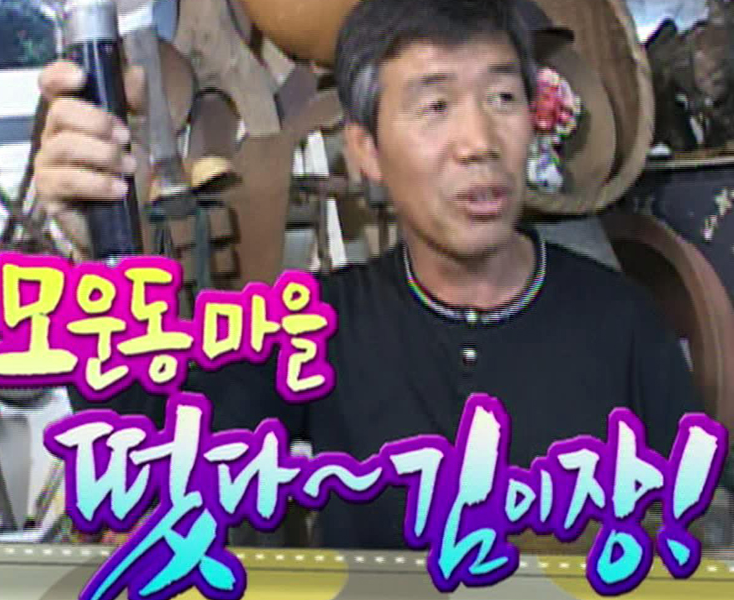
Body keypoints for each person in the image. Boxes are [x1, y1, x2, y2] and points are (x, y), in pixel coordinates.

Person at [34, 0, 702, 548]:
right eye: (435, 106)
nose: (479, 143)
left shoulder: (623, 323)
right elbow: (145, 463)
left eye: (502, 96)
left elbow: (700, 530)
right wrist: (96, 257)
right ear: (367, 151)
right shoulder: (315, 332)